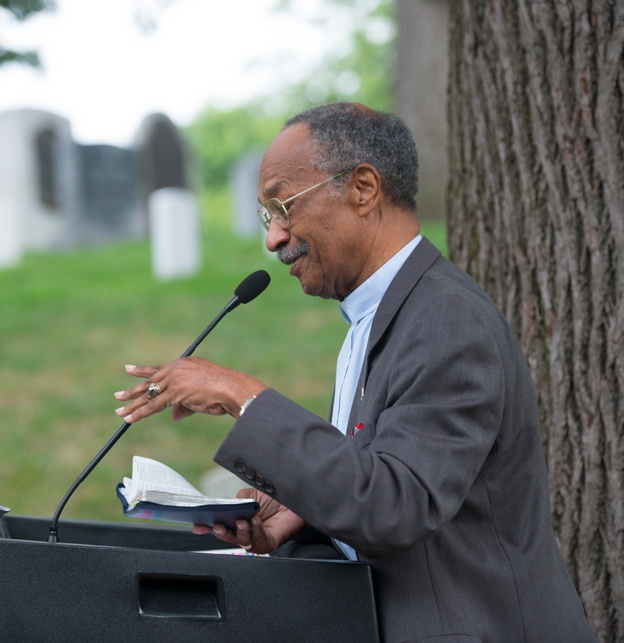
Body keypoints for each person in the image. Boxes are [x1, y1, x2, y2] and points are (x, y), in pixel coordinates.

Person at [114, 103, 595, 642]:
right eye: (266, 216)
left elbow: (395, 508)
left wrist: (241, 394)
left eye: (283, 206)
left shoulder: (445, 319)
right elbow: (396, 480)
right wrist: (305, 506)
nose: (274, 238)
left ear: (363, 189)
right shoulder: (377, 316)